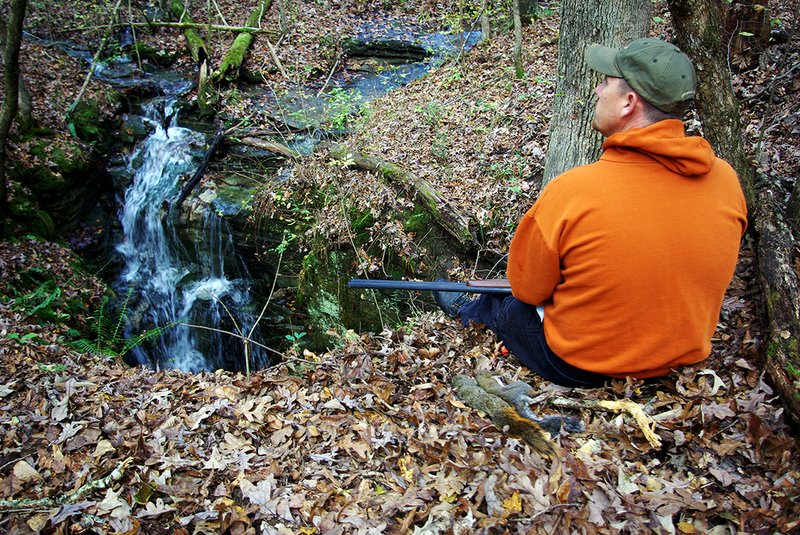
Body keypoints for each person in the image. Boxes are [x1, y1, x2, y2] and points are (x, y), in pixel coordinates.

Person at [437, 38, 748, 388]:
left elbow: (528, 290)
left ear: (629, 103)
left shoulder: (573, 190)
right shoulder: (725, 179)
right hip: (680, 362)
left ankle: (467, 311)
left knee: (506, 308)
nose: (598, 90)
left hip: (583, 365)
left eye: (606, 83)